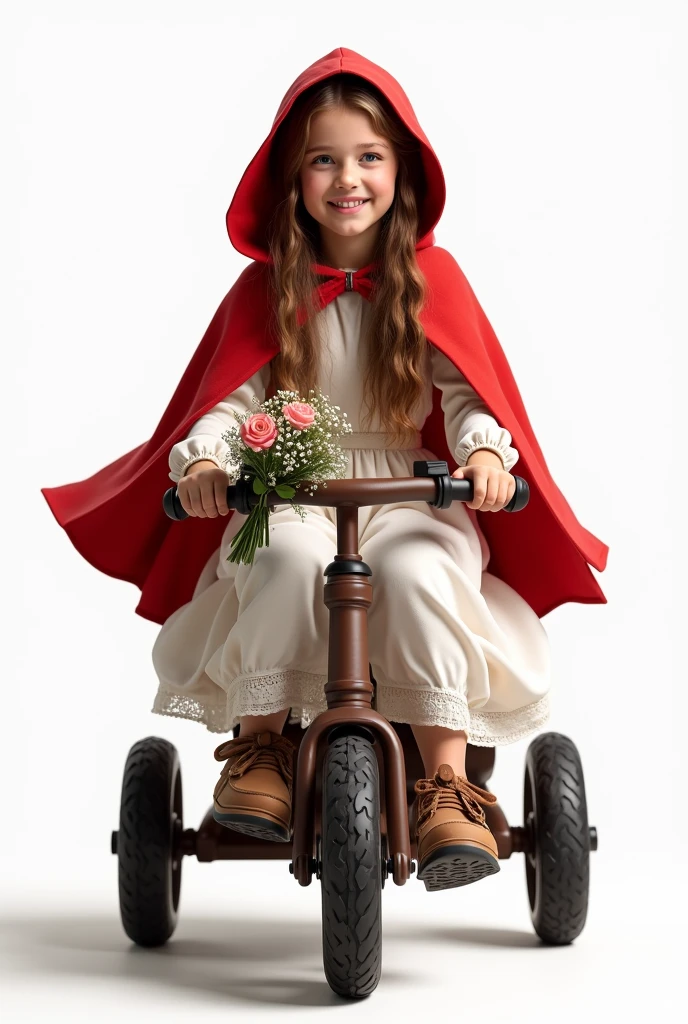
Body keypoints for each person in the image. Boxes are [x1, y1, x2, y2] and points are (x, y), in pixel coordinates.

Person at [41, 49, 608, 891]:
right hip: (290, 487)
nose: (349, 178)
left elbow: (466, 395)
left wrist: (485, 449)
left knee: (418, 573)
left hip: (411, 488)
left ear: (400, 170)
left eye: (369, 157)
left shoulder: (433, 282)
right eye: (325, 158)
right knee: (279, 561)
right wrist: (206, 463)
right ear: (294, 178)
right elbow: (226, 407)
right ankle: (263, 747)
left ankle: (443, 777)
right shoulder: (264, 290)